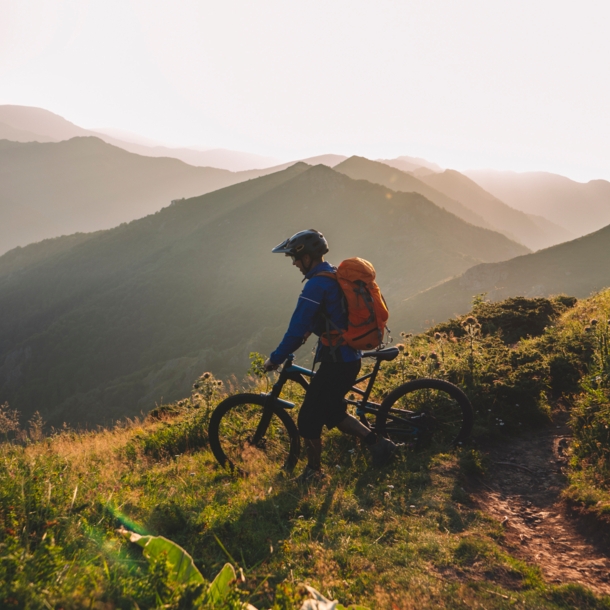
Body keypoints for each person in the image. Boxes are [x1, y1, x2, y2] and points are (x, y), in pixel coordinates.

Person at [263, 229, 397, 481]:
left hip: (338, 363)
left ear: (308, 257)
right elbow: (329, 317)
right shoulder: (334, 274)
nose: (293, 263)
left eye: (295, 258)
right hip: (347, 358)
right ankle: (380, 446)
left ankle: (314, 473)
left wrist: (276, 357)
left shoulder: (316, 285)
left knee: (308, 419)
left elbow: (297, 327)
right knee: (334, 412)